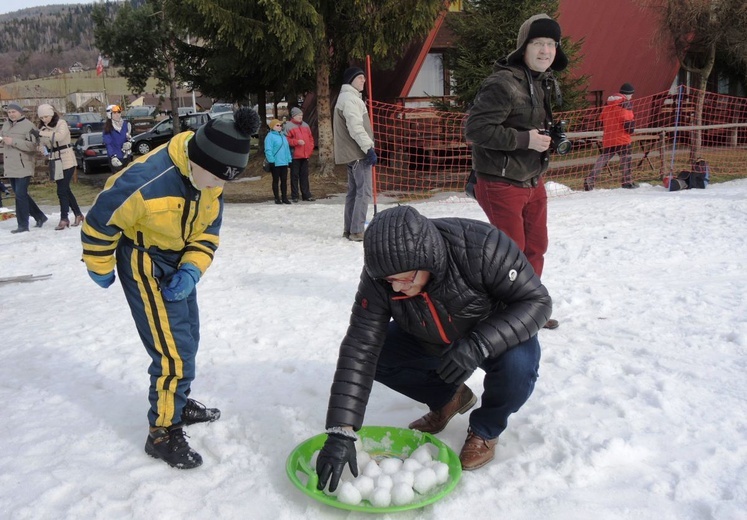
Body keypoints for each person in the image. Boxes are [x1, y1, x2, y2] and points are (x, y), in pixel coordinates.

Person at [315, 205, 552, 491]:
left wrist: (479, 344)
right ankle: (447, 398)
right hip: (428, 336)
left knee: (519, 369)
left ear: (427, 260)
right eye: (390, 281)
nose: (397, 288)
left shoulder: (484, 247)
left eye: (405, 279)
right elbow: (360, 346)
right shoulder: (382, 277)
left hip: (492, 334)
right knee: (378, 356)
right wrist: (342, 431)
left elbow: (536, 302)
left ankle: (485, 429)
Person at [81, 108, 261, 469]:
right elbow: (100, 223)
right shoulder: (146, 179)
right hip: (144, 261)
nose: (216, 187)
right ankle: (162, 431)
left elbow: (207, 232)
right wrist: (98, 266)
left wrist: (193, 269)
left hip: (177, 262)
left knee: (188, 338)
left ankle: (176, 401)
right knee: (172, 353)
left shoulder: (212, 180)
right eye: (213, 178)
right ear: (198, 158)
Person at [464, 13, 567, 330]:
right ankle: (503, 313)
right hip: (501, 182)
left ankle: (528, 307)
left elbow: (528, 125)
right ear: (524, 46)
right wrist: (525, 140)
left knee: (537, 247)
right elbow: (476, 130)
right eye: (539, 43)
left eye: (551, 44)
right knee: (512, 253)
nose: (545, 51)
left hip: (532, 180)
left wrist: (549, 138)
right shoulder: (503, 83)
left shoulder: (541, 82)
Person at [334, 66, 377, 242]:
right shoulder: (351, 100)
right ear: (351, 80)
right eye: (360, 78)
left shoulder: (347, 98)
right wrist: (368, 148)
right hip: (358, 153)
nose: (364, 81)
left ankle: (349, 229)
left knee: (353, 192)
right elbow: (355, 127)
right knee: (364, 192)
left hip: (352, 154)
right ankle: (357, 230)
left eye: (364, 78)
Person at [32, 104, 85, 230]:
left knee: (61, 190)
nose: (44, 119)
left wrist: (41, 133)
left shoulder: (61, 123)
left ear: (51, 114)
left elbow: (60, 136)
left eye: (46, 116)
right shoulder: (43, 128)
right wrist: (40, 145)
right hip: (55, 159)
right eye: (42, 117)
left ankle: (64, 218)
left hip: (67, 158)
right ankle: (78, 214)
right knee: (65, 189)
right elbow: (45, 143)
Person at [1, 103, 48, 233]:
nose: (11, 114)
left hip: (23, 165)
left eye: (13, 112)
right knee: (20, 195)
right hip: (10, 165)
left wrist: (13, 141)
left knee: (20, 195)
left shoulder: (28, 126)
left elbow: (33, 146)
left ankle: (22, 225)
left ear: (20, 112)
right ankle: (40, 216)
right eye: (9, 112)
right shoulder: (6, 124)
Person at [584, 83, 637, 190]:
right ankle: (627, 182)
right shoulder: (625, 106)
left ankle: (590, 180)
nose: (631, 97)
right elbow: (629, 126)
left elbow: (601, 120)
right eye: (631, 95)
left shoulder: (607, 105)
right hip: (622, 139)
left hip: (608, 138)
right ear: (627, 94)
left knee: (602, 160)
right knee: (626, 160)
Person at [284, 107, 315, 202]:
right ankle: (295, 195)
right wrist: (296, 142)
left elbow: (311, 139)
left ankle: (306, 194)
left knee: (304, 175)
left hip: (305, 155)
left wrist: (309, 150)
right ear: (293, 116)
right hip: (294, 156)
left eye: (301, 115)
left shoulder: (305, 125)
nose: (300, 117)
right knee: (294, 176)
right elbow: (286, 140)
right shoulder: (288, 126)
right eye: (298, 115)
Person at [264, 119, 293, 204]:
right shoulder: (269, 136)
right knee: (276, 180)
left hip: (284, 162)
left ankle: (284, 197)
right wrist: (271, 161)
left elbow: (287, 149)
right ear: (272, 126)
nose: (280, 127)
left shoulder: (283, 136)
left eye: (280, 125)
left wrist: (289, 160)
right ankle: (277, 198)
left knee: (284, 181)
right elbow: (268, 150)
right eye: (277, 125)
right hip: (275, 162)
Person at [103, 104, 132, 173]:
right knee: (118, 178)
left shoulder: (125, 125)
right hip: (116, 158)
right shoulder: (108, 128)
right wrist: (113, 156)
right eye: (114, 113)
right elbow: (108, 144)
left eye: (119, 112)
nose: (117, 115)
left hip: (126, 156)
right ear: (110, 114)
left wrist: (129, 143)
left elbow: (128, 137)